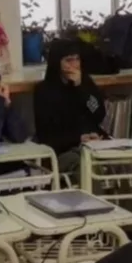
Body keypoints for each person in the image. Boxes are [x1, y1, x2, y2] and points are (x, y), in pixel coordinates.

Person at [33, 38, 108, 181]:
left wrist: (81, 87)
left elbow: (99, 114)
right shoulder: (44, 91)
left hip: (94, 144)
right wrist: (78, 139)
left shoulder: (86, 83)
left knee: (124, 163)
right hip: (64, 151)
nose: (74, 65)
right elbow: (46, 135)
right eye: (68, 60)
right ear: (57, 63)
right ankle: (95, 203)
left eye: (77, 59)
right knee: (87, 165)